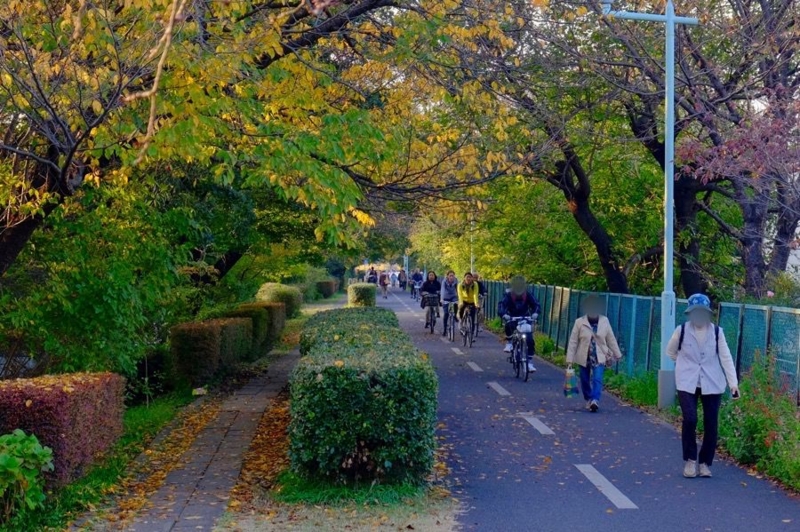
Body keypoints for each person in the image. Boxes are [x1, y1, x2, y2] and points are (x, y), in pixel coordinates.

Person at [667, 293, 739, 479]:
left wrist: (733, 384)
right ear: (690, 313)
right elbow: (671, 352)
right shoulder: (681, 330)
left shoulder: (717, 332)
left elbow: (726, 358)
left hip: (712, 381)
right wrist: (684, 365)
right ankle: (690, 461)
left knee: (711, 423)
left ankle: (705, 463)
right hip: (686, 382)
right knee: (690, 419)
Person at [566, 294, 623, 413]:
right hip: (584, 355)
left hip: (599, 355)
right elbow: (573, 341)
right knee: (584, 379)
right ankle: (588, 397)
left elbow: (611, 338)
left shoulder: (604, 321)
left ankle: (595, 400)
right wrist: (569, 360)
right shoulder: (579, 322)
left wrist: (617, 354)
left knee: (597, 378)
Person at [498, 275, 541, 373]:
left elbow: (536, 304)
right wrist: (504, 314)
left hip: (525, 318)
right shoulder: (508, 294)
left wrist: (535, 313)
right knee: (508, 325)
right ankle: (509, 343)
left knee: (529, 339)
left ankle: (529, 362)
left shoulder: (528, 294)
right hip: (512, 317)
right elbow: (501, 305)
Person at [440, 270, 459, 336]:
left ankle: (455, 315)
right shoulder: (444, 281)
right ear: (447, 276)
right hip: (446, 297)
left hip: (453, 297)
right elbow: (442, 290)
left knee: (455, 304)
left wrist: (459, 298)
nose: (451, 277)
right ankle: (445, 329)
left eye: (453, 276)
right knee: (446, 314)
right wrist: (442, 299)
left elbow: (458, 289)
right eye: (450, 276)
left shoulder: (456, 281)